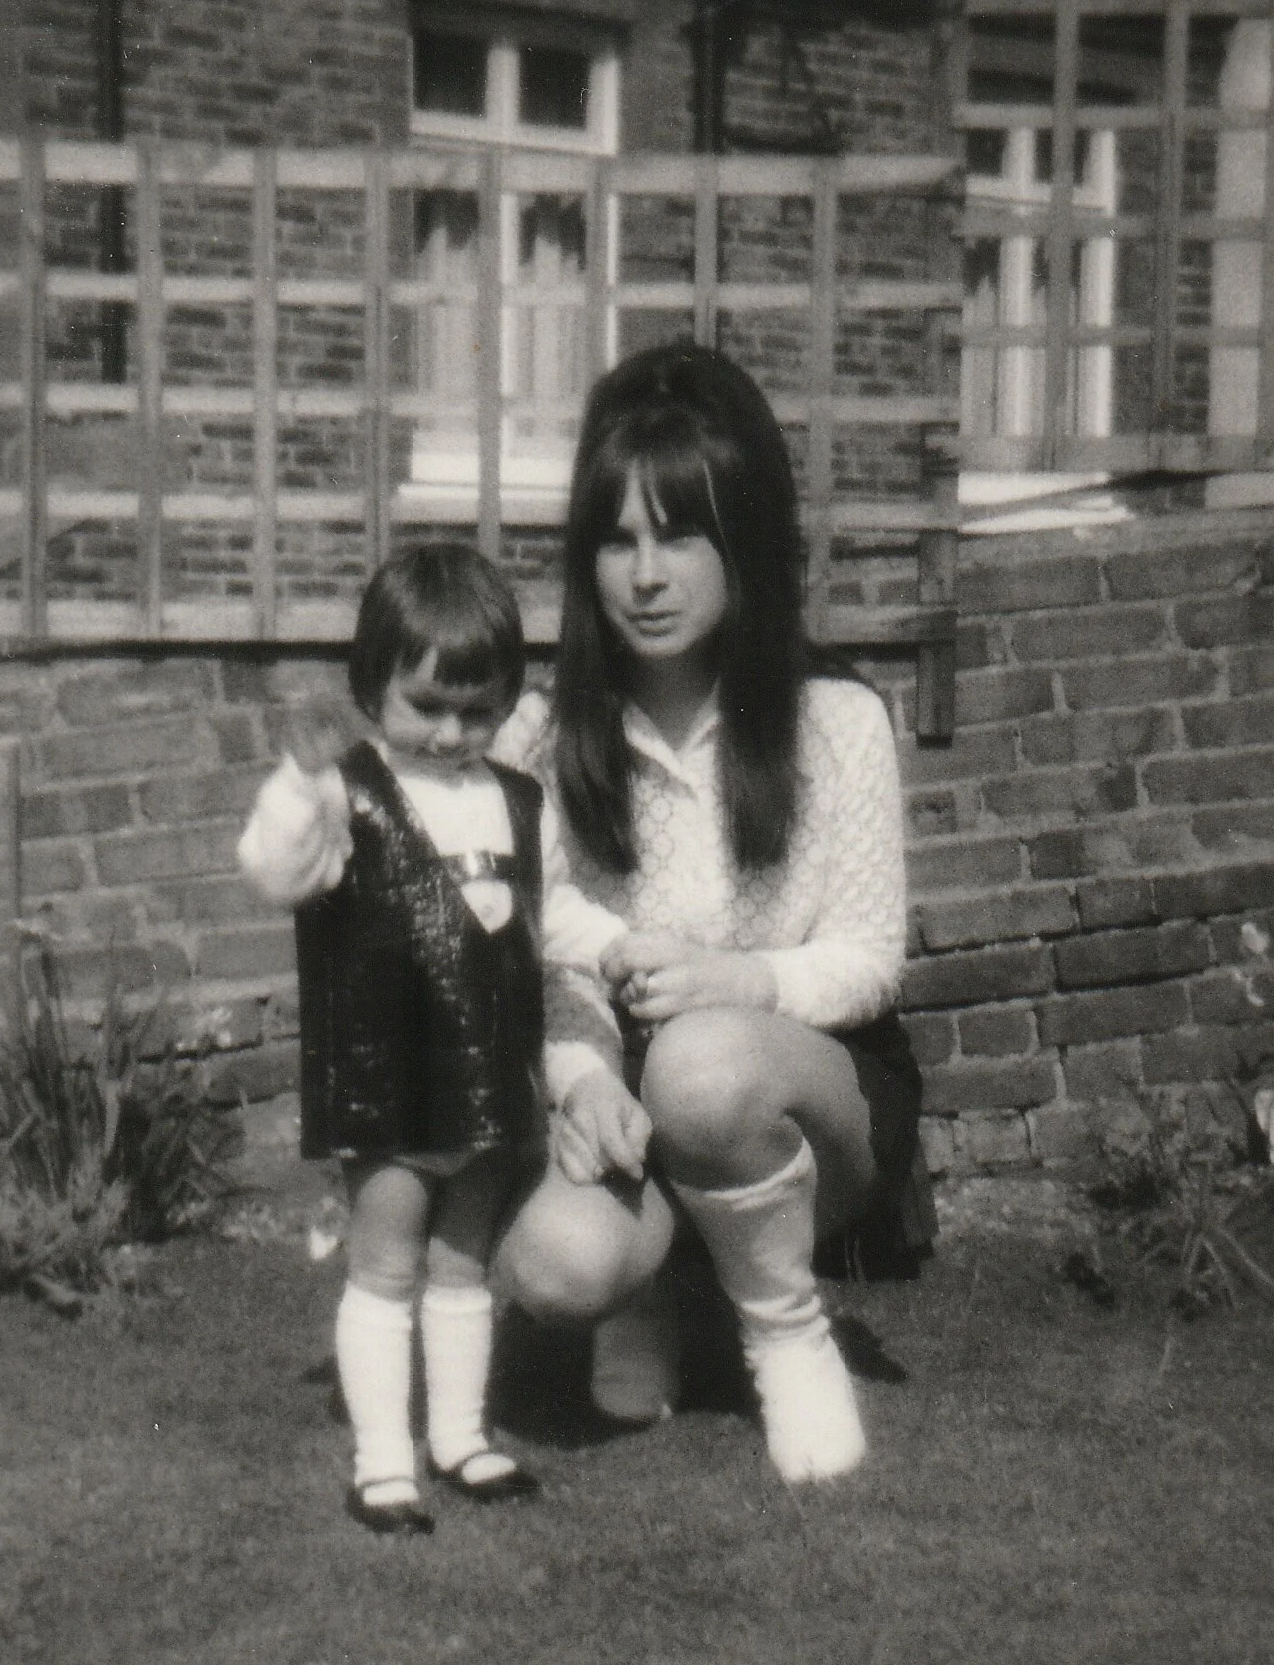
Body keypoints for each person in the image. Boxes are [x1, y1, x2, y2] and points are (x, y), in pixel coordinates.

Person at [492, 340, 934, 1486]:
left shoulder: (835, 721)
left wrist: (740, 982)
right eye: (617, 539)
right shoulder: (537, 740)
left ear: (743, 538)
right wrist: (580, 1082)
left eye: (680, 534)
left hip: (798, 1096)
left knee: (698, 1067)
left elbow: (871, 962)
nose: (644, 574)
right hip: (623, 1085)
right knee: (549, 1265)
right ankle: (651, 1296)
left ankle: (787, 1333)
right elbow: (533, 959)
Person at [236, 543, 630, 1536]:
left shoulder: (519, 799)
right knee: (387, 1263)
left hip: (492, 1075)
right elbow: (274, 871)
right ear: (373, 687)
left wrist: (630, 946)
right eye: (426, 706)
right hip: (387, 1074)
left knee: (462, 1265)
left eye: (478, 709)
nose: (452, 730)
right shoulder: (345, 793)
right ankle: (382, 1458)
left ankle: (458, 1434)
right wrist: (297, 783)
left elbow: (552, 917)